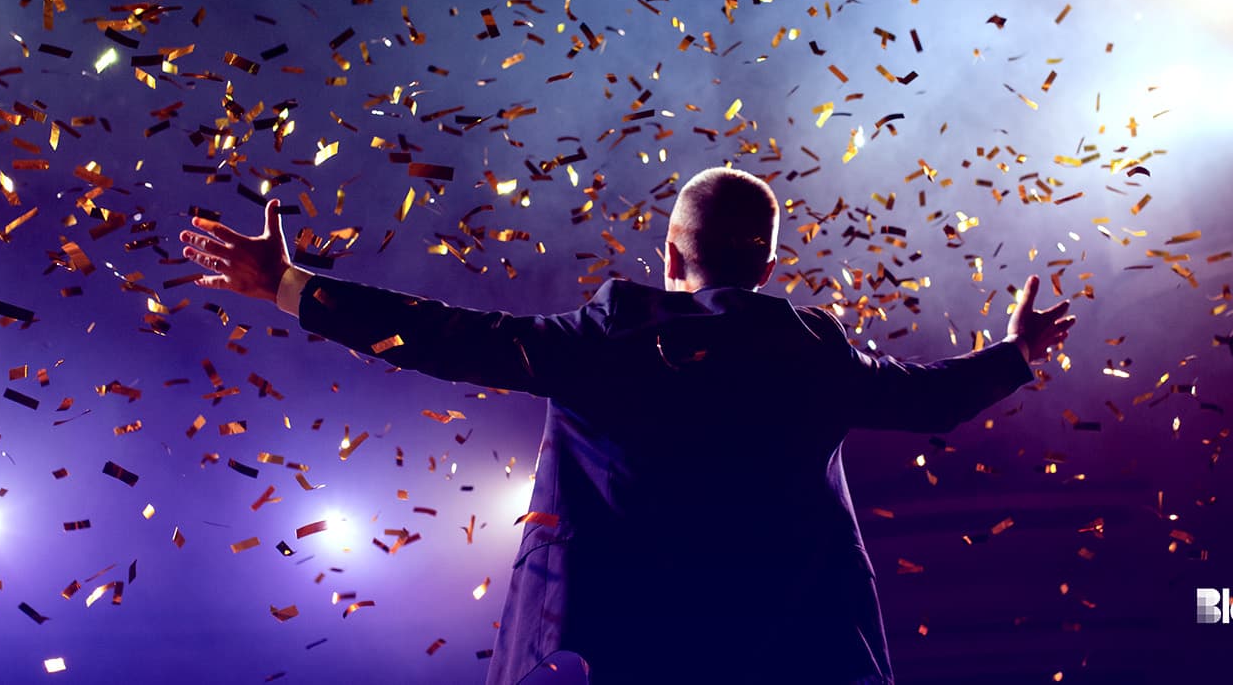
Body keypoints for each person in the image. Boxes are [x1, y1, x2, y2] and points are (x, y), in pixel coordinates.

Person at [180, 167, 1076, 685]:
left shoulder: (606, 340)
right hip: (792, 658)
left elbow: (450, 339)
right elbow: (931, 400)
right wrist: (1017, 354)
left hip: (626, 656)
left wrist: (289, 286)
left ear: (670, 255)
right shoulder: (813, 353)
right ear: (768, 267)